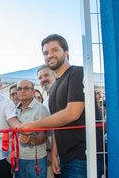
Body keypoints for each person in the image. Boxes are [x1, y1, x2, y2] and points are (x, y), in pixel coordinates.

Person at [20, 34, 103, 178]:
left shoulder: (77, 73)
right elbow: (58, 125)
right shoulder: (53, 88)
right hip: (65, 158)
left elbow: (72, 113)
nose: (49, 55)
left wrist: (34, 125)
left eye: (55, 50)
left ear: (66, 52)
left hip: (84, 155)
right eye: (46, 53)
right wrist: (54, 154)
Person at [15, 80, 49, 178]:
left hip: (35, 160)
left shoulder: (41, 109)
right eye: (19, 89)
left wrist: (31, 140)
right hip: (19, 159)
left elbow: (44, 136)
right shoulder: (15, 109)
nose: (22, 91)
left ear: (33, 92)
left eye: (26, 88)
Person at [0, 73, 20, 178]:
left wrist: (20, 127)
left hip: (1, 156)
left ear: (1, 85)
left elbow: (12, 119)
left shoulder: (7, 102)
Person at [37, 65, 57, 178]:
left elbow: (58, 127)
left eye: (46, 75)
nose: (43, 79)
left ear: (54, 75)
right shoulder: (45, 103)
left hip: (66, 153)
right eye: (40, 78)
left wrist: (53, 153)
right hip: (53, 153)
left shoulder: (61, 95)